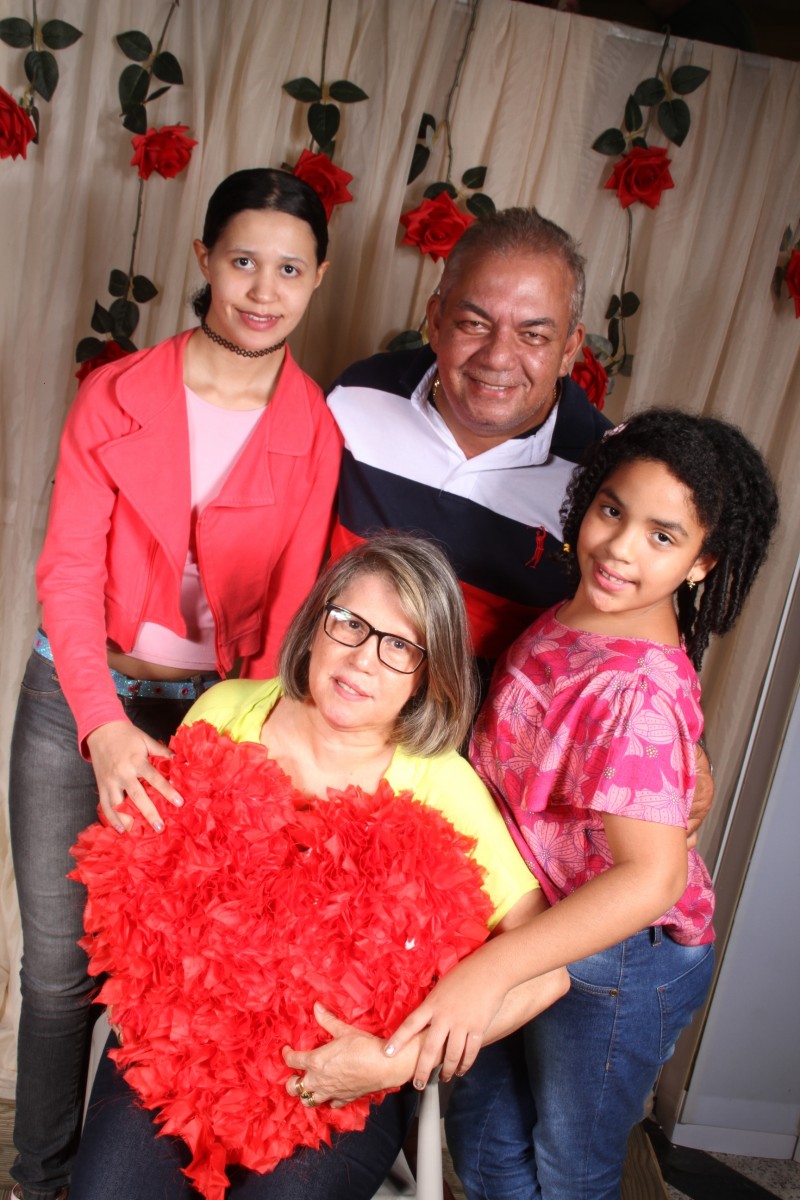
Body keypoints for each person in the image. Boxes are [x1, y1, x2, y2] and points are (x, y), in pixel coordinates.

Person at [8, 167, 342, 1200]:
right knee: (58, 972)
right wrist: (103, 728)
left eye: (289, 270)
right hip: (78, 695)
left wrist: (237, 754)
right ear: (204, 259)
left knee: (178, 972)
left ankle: (143, 1174)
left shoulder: (315, 431)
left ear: (318, 279)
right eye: (242, 261)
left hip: (216, 719)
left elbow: (289, 617)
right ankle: (38, 1178)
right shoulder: (114, 394)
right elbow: (68, 571)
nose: (262, 290)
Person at [68, 534, 569, 1200]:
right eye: (350, 623)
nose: (363, 659)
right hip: (181, 1045)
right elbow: (159, 881)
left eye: (399, 646)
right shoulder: (227, 710)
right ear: (316, 623)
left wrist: (394, 1062)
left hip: (340, 1077)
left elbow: (547, 974)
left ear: (427, 675)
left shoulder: (443, 787)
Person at [392, 409, 778, 1200]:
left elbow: (651, 880)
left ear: (703, 563)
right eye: (612, 510)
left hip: (619, 960)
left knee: (570, 1165)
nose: (620, 548)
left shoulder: (635, 691)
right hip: (532, 919)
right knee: (485, 1141)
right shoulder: (579, 610)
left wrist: (489, 971)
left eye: (662, 537)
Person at [327, 205, 713, 834]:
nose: (498, 357)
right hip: (327, 736)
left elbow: (640, 623)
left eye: (533, 335)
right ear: (434, 319)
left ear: (569, 350)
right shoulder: (358, 398)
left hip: (470, 793)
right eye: (474, 323)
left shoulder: (605, 480)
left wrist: (688, 744)